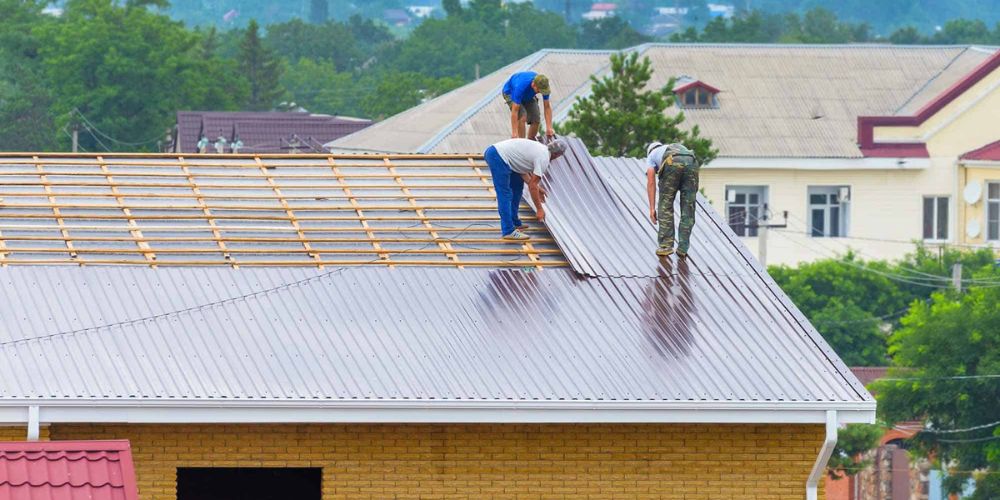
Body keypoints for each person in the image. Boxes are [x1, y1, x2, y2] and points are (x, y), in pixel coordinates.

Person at [484, 138, 567, 240]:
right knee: (505, 194)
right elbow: (532, 186)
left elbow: (522, 171)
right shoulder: (544, 158)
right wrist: (539, 209)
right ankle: (508, 231)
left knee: (518, 187)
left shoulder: (541, 150)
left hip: (500, 155)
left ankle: (514, 222)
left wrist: (538, 188)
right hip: (498, 156)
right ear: (557, 154)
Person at [645, 141, 700, 257]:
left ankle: (666, 246)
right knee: (688, 207)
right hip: (692, 162)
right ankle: (683, 248)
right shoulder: (671, 148)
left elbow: (651, 181)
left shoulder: (651, 156)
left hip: (672, 161)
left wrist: (651, 209)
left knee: (665, 204)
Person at [501, 72, 553, 140]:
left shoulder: (544, 86)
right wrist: (514, 132)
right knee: (522, 116)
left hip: (528, 95)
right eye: (538, 90)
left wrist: (549, 128)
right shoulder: (520, 86)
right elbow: (515, 111)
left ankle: (531, 140)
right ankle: (521, 141)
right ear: (533, 84)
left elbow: (547, 107)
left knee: (536, 119)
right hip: (510, 93)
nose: (540, 92)